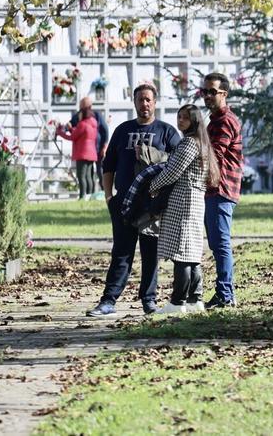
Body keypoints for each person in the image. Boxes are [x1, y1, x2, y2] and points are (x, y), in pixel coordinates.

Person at [87, 84, 181, 317]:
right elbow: (108, 166)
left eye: (148, 99)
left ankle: (149, 301)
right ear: (134, 102)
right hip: (124, 202)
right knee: (121, 252)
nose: (144, 104)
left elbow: (179, 165)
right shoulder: (123, 130)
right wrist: (109, 197)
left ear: (155, 102)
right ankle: (108, 300)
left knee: (150, 254)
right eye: (140, 100)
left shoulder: (167, 132)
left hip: (152, 205)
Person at [147, 105, 221, 314]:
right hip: (195, 200)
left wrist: (152, 186)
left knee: (182, 252)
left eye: (185, 118)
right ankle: (194, 300)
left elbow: (172, 172)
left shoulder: (189, 143)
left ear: (194, 121)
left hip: (183, 199)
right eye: (179, 117)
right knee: (191, 252)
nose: (180, 121)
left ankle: (177, 302)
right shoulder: (202, 143)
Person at [201, 72, 244, 308]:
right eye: (204, 91)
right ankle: (224, 293)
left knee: (221, 244)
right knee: (217, 244)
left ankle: (226, 295)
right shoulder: (215, 120)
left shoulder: (224, 121)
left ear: (224, 94)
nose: (207, 96)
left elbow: (213, 156)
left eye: (212, 92)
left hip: (221, 189)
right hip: (214, 190)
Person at [58, 106, 99, 199]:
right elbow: (80, 135)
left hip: (83, 153)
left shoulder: (82, 124)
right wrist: (71, 129)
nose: (78, 116)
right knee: (89, 176)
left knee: (81, 176)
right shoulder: (93, 124)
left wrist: (60, 132)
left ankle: (82, 196)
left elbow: (72, 137)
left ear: (83, 114)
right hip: (92, 154)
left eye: (79, 114)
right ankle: (90, 196)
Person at [71, 96, 109, 193]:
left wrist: (104, 146)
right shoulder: (79, 115)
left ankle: (105, 191)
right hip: (88, 150)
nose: (80, 107)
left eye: (82, 105)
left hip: (98, 148)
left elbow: (105, 130)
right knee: (89, 173)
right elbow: (71, 124)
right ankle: (90, 193)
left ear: (89, 105)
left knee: (100, 171)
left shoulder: (96, 115)